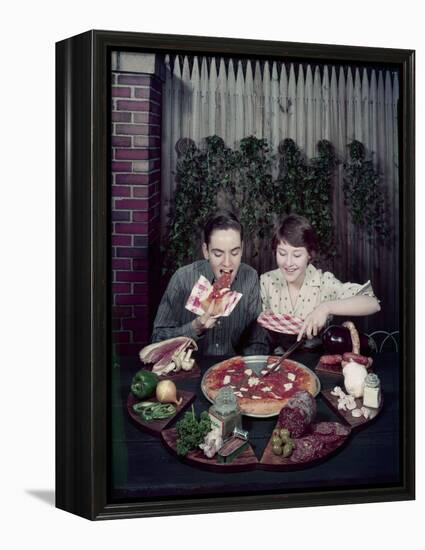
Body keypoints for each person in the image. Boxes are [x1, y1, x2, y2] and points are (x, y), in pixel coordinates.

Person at [152, 210, 268, 356]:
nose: (227, 263)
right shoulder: (182, 279)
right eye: (218, 254)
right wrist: (195, 328)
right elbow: (156, 340)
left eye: (234, 252)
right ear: (206, 251)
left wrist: (244, 370)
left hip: (233, 372)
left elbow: (257, 341)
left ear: (242, 248)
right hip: (190, 370)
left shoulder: (250, 278)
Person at [260, 214, 381, 342]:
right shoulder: (267, 281)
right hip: (277, 359)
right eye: (282, 253)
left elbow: (372, 303)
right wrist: (265, 319)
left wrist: (326, 308)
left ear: (309, 255)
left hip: (316, 359)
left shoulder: (324, 282)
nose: (288, 263)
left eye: (297, 255)